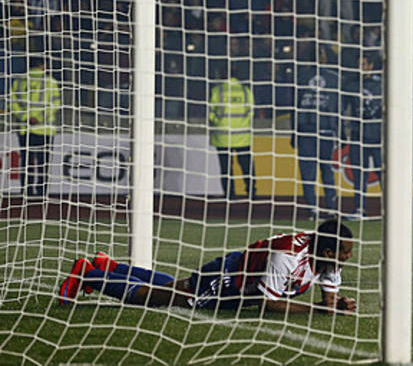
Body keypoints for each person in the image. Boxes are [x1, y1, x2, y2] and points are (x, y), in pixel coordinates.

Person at [58, 218, 356, 314]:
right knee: (162, 297)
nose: (347, 258)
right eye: (344, 253)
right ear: (329, 250)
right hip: (228, 278)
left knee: (175, 285)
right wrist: (319, 309)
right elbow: (269, 302)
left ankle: (109, 266)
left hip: (237, 281)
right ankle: (90, 274)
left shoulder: (326, 256)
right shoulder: (287, 256)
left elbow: (329, 300)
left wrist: (335, 304)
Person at [292, 43, 340, 218]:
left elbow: (294, 107)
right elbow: (338, 108)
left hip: (308, 131)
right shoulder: (334, 78)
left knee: (309, 172)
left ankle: (314, 208)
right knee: (325, 170)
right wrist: (339, 132)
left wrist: (293, 132)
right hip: (323, 130)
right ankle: (330, 208)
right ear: (323, 57)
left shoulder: (300, 77)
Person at [10, 55, 61, 198]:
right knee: (43, 162)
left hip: (25, 128)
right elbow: (55, 104)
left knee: (26, 161)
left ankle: (25, 190)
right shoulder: (51, 82)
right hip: (45, 129)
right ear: (43, 65)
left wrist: (26, 118)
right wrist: (39, 118)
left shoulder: (19, 81)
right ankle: (41, 192)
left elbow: (12, 103)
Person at [344, 51, 383, 218]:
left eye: (363, 64)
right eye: (358, 64)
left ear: (371, 66)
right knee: (359, 174)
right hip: (358, 136)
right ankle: (360, 209)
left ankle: (391, 210)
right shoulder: (351, 85)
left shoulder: (382, 84)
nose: (360, 67)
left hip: (378, 137)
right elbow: (343, 108)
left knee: (383, 173)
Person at [208, 65, 255, 199]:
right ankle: (251, 192)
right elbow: (251, 112)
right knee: (247, 167)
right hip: (242, 136)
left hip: (222, 136)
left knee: (226, 168)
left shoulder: (217, 91)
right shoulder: (245, 91)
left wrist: (219, 122)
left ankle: (230, 194)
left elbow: (211, 113)